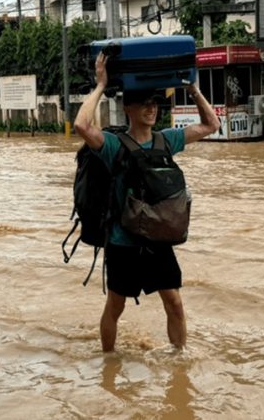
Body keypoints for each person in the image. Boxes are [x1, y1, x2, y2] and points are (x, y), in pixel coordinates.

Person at [73, 53, 219, 352]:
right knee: (116, 306)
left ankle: (179, 360)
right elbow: (81, 125)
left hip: (159, 241)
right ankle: (109, 360)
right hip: (123, 243)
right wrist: (101, 85)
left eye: (154, 103)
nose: (151, 108)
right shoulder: (114, 145)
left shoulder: (167, 140)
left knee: (175, 302)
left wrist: (193, 89)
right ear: (128, 108)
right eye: (144, 103)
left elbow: (211, 124)